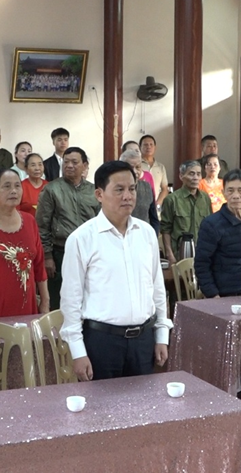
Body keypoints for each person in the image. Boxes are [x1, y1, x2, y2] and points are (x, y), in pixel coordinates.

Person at [60, 160, 173, 381]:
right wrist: (78, 352)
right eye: (119, 190)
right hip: (102, 342)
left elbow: (157, 289)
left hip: (143, 340)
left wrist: (161, 335)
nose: (128, 196)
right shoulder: (81, 238)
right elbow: (71, 300)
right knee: (102, 403)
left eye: (132, 189)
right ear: (99, 194)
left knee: (144, 401)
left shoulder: (147, 233)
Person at [0, 169, 50, 318]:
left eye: (17, 186)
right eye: (7, 186)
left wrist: (45, 301)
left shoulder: (30, 221)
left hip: (27, 307)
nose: (13, 191)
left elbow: (39, 265)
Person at [35, 147, 100, 310]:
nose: (69, 165)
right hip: (60, 253)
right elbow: (42, 225)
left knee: (89, 299)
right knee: (60, 302)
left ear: (85, 165)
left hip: (89, 253)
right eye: (66, 162)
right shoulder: (52, 189)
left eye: (74, 162)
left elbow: (101, 222)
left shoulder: (93, 191)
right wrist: (47, 256)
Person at [195, 169, 241, 297]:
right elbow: (202, 263)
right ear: (223, 193)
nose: (235, 196)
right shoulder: (211, 224)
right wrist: (213, 295)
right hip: (224, 293)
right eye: (230, 190)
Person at [160, 160, 212, 264]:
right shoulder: (171, 200)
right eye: (191, 174)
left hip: (203, 253)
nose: (195, 178)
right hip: (179, 254)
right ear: (181, 176)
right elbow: (166, 230)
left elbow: (210, 226)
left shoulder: (205, 198)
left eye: (198, 174)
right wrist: (170, 254)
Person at [119, 149, 160, 235]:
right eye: (130, 168)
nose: (135, 172)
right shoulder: (115, 189)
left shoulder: (147, 187)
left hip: (144, 236)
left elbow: (154, 218)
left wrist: (153, 236)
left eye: (138, 167)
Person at [139, 134, 169, 206]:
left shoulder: (160, 167)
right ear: (140, 147)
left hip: (156, 206)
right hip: (140, 205)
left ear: (155, 147)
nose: (148, 147)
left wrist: (157, 204)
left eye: (151, 144)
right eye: (145, 145)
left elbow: (164, 189)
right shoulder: (137, 165)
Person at [18, 153, 46, 217]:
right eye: (33, 165)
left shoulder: (49, 186)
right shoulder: (20, 186)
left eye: (40, 164)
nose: (37, 168)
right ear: (26, 169)